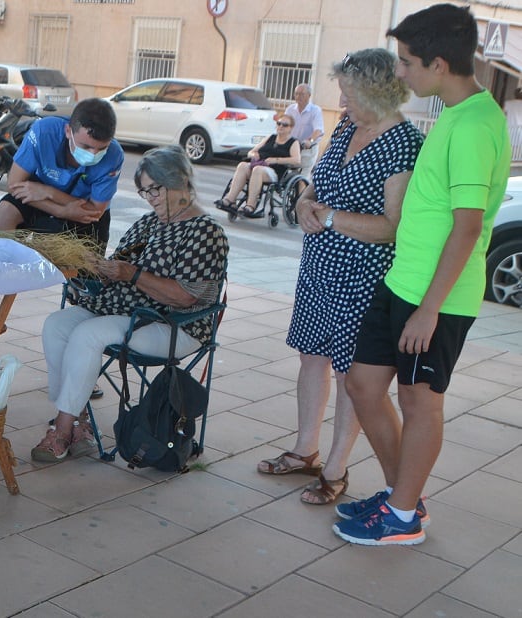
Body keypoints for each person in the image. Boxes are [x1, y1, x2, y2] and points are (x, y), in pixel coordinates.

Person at [335, 4, 510, 546]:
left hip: (437, 299)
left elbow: (467, 227)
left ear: (437, 63)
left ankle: (404, 515)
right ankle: (401, 496)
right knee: (362, 383)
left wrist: (429, 309)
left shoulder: (479, 124)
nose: (401, 73)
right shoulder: (452, 114)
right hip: (401, 283)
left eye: (407, 63)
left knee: (420, 402)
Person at [262, 49, 423, 507]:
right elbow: (318, 183)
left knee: (354, 374)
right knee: (311, 358)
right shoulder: (348, 127)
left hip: (363, 278)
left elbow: (394, 227)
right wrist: (302, 202)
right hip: (319, 266)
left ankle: (335, 468)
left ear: (376, 91)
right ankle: (304, 450)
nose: (342, 99)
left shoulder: (403, 144)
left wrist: (329, 217)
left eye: (349, 92)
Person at [35, 145, 228, 461]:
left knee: (89, 335)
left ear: (180, 182)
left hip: (174, 324)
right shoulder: (149, 223)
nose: (151, 198)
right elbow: (123, 262)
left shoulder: (205, 232)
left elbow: (185, 296)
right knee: (56, 324)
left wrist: (132, 275)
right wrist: (100, 269)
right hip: (126, 310)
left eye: (156, 189)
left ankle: (62, 430)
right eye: (144, 192)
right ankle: (78, 419)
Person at [0, 98, 125, 321]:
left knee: (91, 277)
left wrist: (48, 192)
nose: (93, 154)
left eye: (101, 148)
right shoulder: (44, 131)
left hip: (83, 217)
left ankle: (82, 301)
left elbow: (94, 211)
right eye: (86, 146)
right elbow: (15, 183)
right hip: (38, 202)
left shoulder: (114, 155)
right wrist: (61, 209)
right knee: (6, 209)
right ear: (68, 131)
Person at [215, 114, 301, 216]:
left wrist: (276, 160)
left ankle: (250, 205)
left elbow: (297, 160)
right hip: (258, 165)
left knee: (258, 170)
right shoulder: (271, 138)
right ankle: (230, 199)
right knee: (243, 165)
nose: (281, 126)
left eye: (285, 125)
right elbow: (250, 152)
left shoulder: (292, 142)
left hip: (275, 172)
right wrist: (254, 155)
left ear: (290, 128)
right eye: (279, 123)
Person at [285, 83, 326, 173]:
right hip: (292, 146)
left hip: (307, 149)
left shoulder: (315, 110)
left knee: (303, 175)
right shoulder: (290, 109)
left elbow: (318, 130)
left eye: (302, 94)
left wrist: (310, 141)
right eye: (296, 94)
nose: (298, 96)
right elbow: (284, 125)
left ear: (309, 95)